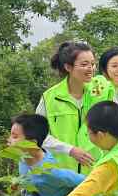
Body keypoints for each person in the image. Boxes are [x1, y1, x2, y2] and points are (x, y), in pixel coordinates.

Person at [37, 41, 99, 173]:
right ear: (68, 67)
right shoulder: (49, 98)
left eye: (92, 64)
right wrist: (70, 150)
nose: (91, 69)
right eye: (84, 64)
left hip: (92, 175)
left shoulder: (99, 93)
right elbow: (37, 135)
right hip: (60, 176)